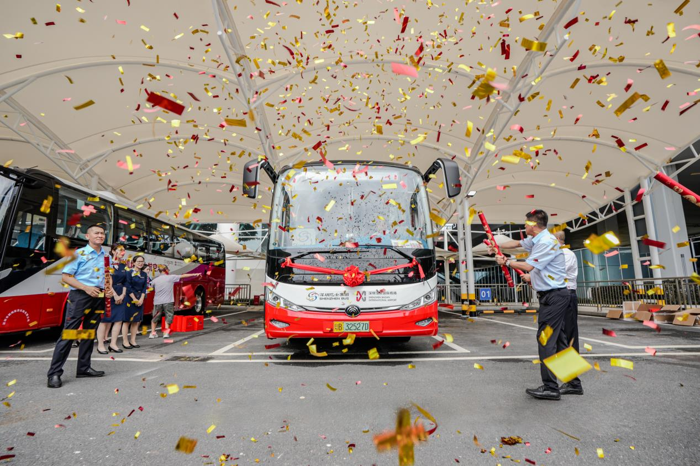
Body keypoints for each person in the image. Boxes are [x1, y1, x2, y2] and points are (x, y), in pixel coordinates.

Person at [489, 210, 569, 401]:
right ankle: (574, 382)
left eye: (525, 224)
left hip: (554, 296)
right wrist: (496, 245)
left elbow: (528, 267)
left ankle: (551, 387)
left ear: (533, 224)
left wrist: (506, 261)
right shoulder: (537, 239)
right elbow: (516, 243)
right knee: (559, 341)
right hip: (555, 295)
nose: (524, 227)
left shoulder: (546, 242)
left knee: (546, 340)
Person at [47, 224, 113, 388]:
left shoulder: (106, 256)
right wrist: (85, 288)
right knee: (70, 333)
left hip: (98, 295)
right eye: (96, 233)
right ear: (87, 236)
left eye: (102, 233)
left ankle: (83, 368)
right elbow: (66, 277)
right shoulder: (79, 254)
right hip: (80, 296)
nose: (100, 235)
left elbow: (107, 275)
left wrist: (109, 289)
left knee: (89, 333)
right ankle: (54, 373)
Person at [554, 230, 583, 395]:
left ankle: (574, 382)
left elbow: (557, 273)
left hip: (567, 296)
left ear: (559, 240)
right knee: (562, 338)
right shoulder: (558, 254)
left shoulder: (566, 254)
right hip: (561, 297)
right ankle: (570, 379)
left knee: (569, 338)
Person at [150, 266, 201, 339]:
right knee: (169, 316)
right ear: (166, 270)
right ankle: (166, 333)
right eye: (168, 269)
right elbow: (183, 276)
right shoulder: (171, 277)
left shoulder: (155, 280)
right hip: (168, 301)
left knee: (155, 317)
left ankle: (152, 333)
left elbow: (149, 287)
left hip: (157, 301)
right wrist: (195, 274)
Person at [96, 244, 127, 354]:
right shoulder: (107, 264)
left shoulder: (123, 266)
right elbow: (106, 281)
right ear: (113, 251)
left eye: (123, 251)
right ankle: (100, 345)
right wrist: (115, 295)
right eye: (120, 250)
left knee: (119, 320)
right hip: (109, 293)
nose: (122, 253)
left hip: (120, 294)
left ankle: (113, 344)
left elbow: (125, 282)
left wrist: (122, 295)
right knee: (105, 320)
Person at [123, 255, 149, 349]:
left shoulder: (144, 274)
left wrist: (141, 299)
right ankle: (125, 341)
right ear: (133, 263)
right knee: (127, 321)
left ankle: (133, 340)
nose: (140, 263)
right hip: (130, 299)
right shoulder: (129, 273)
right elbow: (128, 287)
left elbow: (144, 288)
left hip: (140, 299)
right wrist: (134, 299)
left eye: (142, 261)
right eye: (138, 261)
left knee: (136, 321)